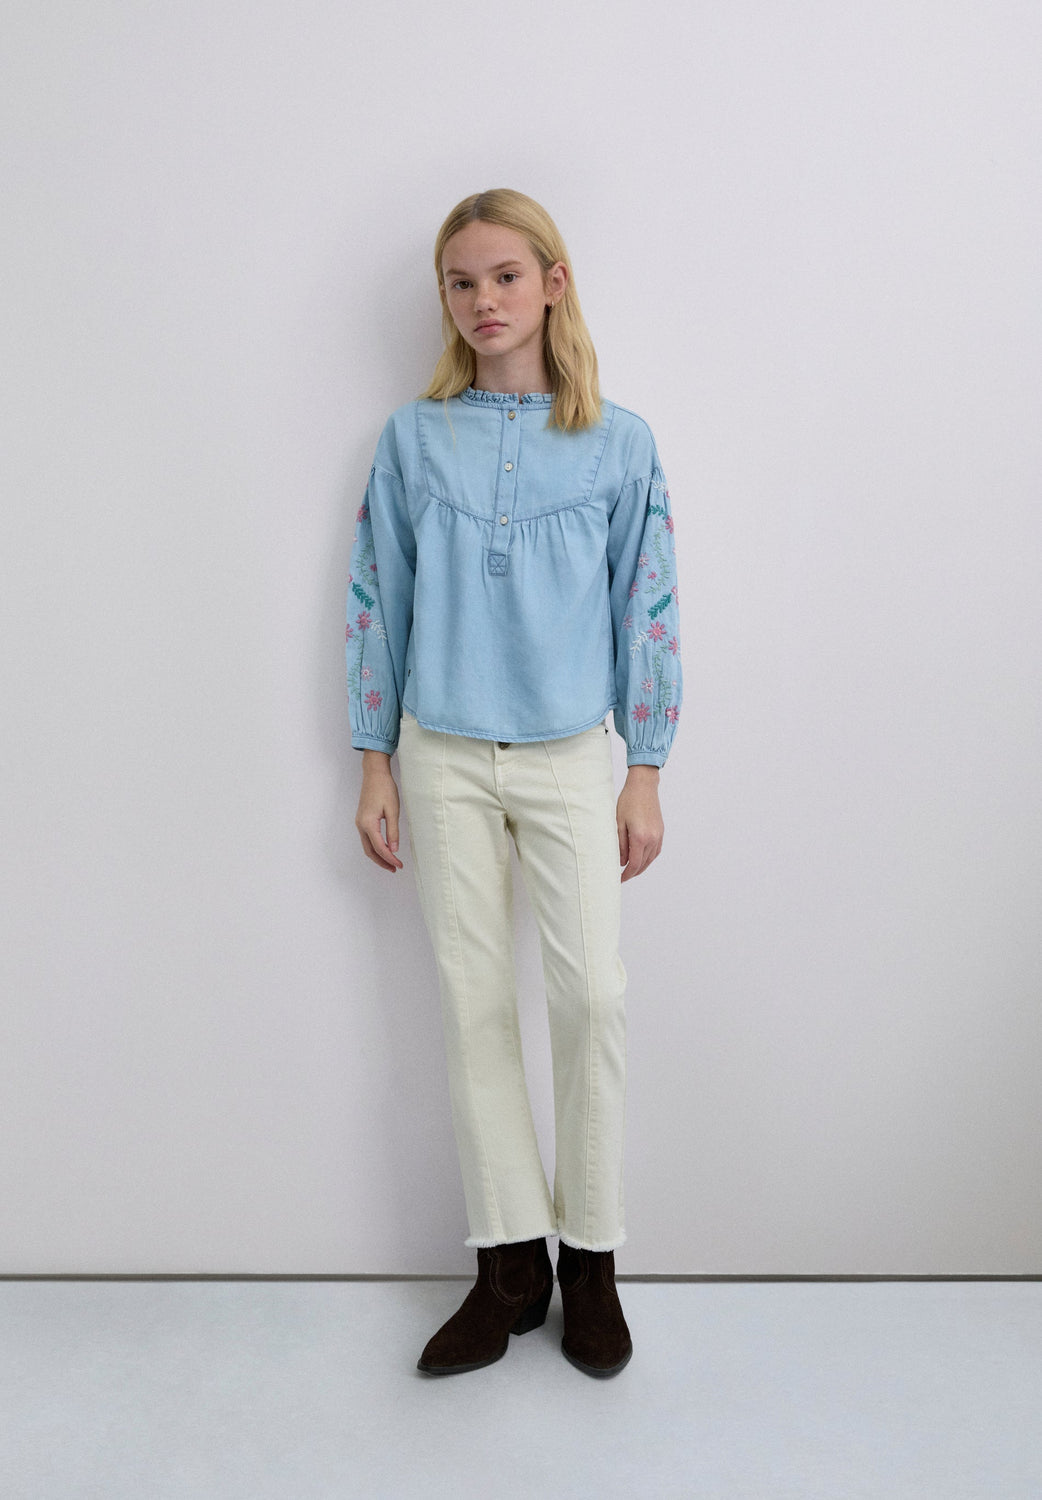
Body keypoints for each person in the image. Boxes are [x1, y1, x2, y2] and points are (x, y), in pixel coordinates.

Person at [347, 189, 681, 1377]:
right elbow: (378, 596)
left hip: (566, 753)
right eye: (460, 282)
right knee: (473, 1004)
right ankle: (507, 1268)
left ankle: (590, 1259)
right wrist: (375, 759)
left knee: (592, 1000)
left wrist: (644, 769)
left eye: (502, 276)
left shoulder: (620, 442)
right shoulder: (412, 438)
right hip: (438, 751)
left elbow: (648, 606)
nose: (482, 301)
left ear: (552, 282)